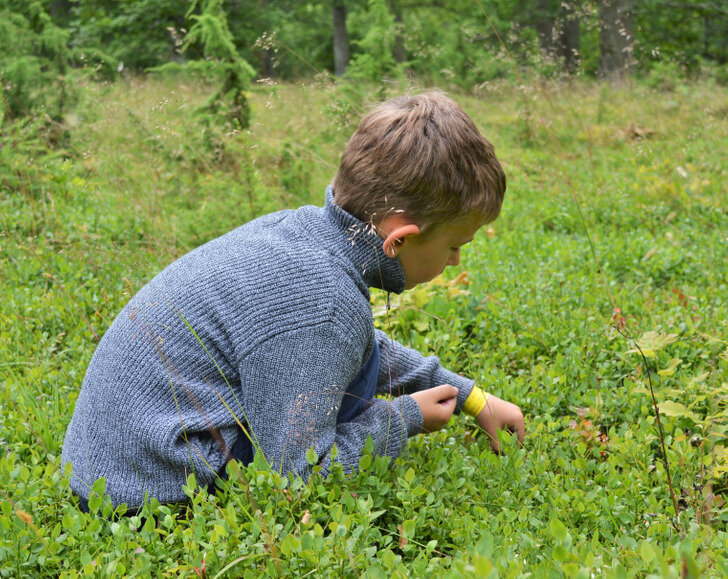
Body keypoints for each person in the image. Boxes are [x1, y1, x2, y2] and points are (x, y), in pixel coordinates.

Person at [61, 91, 525, 512]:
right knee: (311, 436)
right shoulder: (322, 303)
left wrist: (467, 394)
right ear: (399, 240)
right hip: (149, 495)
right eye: (453, 245)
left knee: (338, 365)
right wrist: (404, 417)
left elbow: (358, 347)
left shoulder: (307, 233)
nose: (456, 259)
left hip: (113, 465)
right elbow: (296, 476)